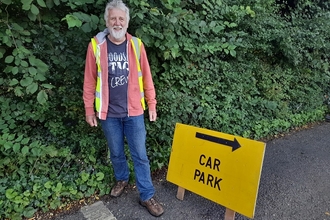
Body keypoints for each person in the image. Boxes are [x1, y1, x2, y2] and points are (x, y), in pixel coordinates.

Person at [83, 0, 164, 217]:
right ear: (106, 21)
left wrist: (152, 103)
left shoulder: (136, 45)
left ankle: (147, 195)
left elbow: (147, 76)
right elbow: (89, 81)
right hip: (108, 113)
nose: (117, 23)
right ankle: (121, 179)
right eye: (113, 18)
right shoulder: (96, 46)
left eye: (121, 19)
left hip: (134, 111)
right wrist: (89, 109)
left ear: (127, 22)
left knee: (140, 155)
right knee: (117, 152)